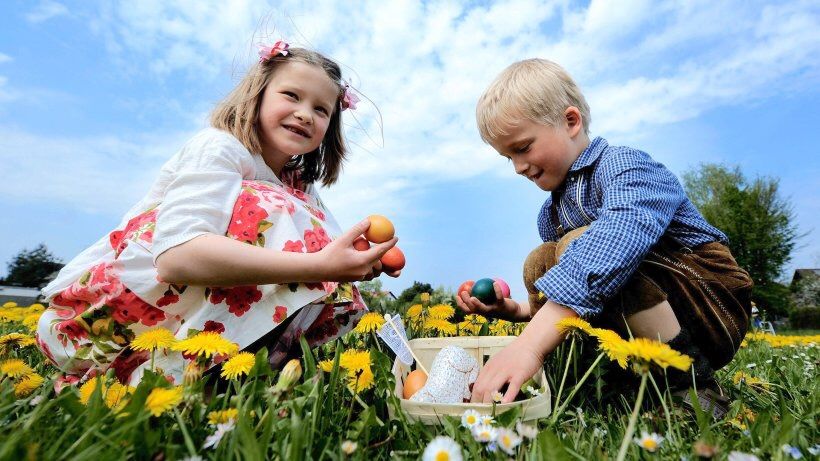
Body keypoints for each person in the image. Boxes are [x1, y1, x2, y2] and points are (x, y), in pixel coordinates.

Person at [36, 41, 398, 386]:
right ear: (257, 95)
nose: (305, 114)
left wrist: (358, 260)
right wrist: (321, 265)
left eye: (321, 109)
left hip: (171, 322)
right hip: (102, 323)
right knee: (276, 208)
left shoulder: (298, 184)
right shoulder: (219, 147)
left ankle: (229, 374)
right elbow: (176, 258)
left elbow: (328, 252)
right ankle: (163, 374)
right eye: (291, 95)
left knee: (306, 225)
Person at [459, 59, 753, 416]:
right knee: (542, 258)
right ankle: (609, 382)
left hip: (709, 303)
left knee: (584, 245)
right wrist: (515, 310)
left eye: (522, 148)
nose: (519, 167)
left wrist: (529, 347)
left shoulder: (626, 165)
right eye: (509, 158)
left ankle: (691, 387)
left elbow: (618, 240)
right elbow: (568, 295)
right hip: (649, 308)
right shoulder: (550, 213)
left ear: (571, 122)